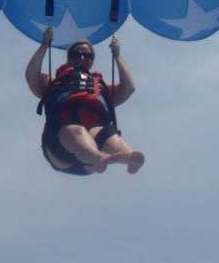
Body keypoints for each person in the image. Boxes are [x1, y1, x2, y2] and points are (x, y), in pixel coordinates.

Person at [25, 27, 145, 176]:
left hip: (90, 153)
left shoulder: (102, 88)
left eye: (87, 56)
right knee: (77, 131)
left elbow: (129, 88)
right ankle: (100, 157)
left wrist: (117, 56)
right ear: (69, 58)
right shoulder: (52, 83)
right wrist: (44, 45)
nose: (82, 58)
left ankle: (128, 158)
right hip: (60, 149)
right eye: (77, 54)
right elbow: (31, 75)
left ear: (92, 60)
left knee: (108, 135)